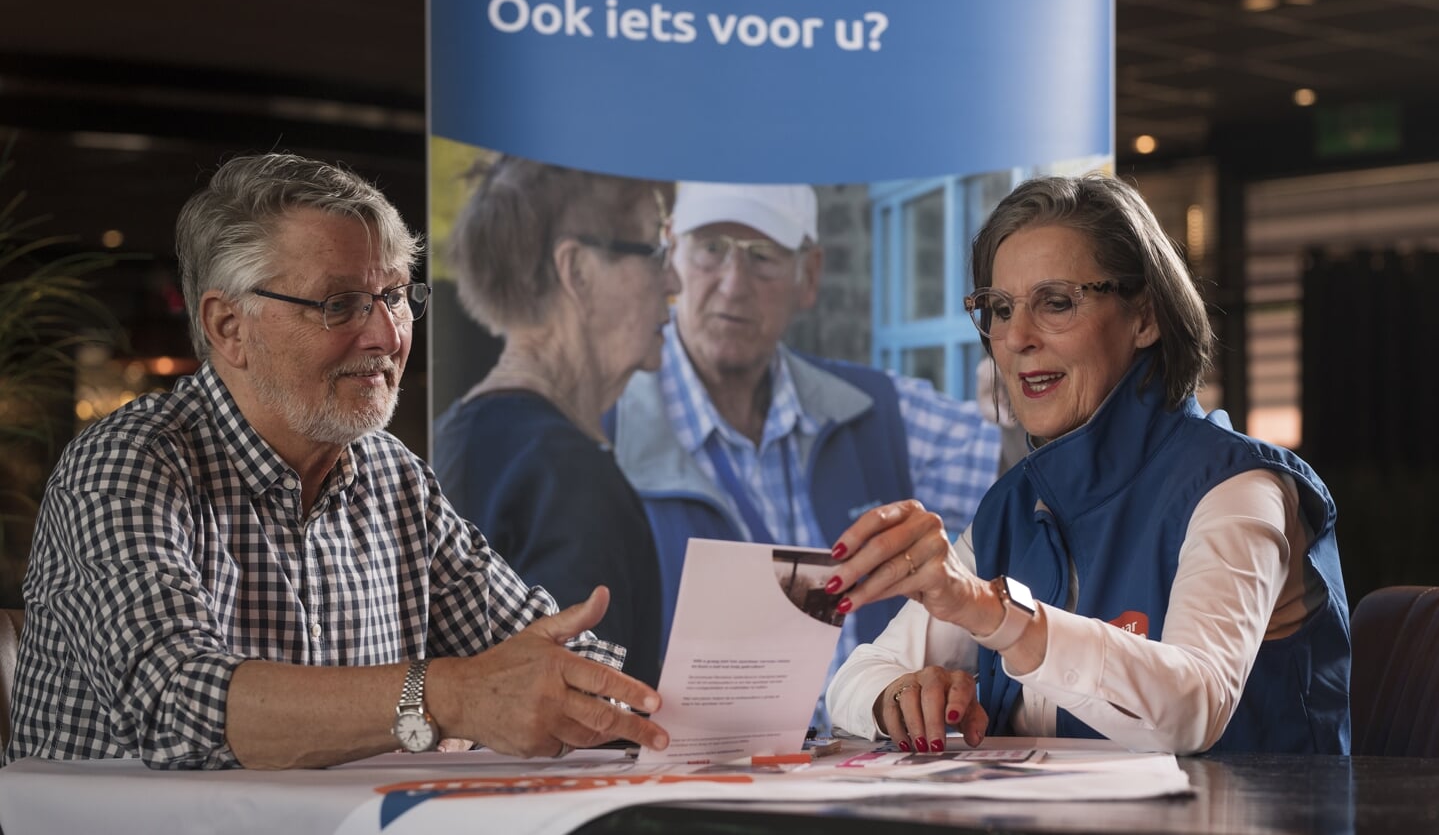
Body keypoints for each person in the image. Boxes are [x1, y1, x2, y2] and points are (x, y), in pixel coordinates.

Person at [4, 153, 668, 769]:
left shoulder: (392, 475)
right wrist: (444, 697)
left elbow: (537, 656)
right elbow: (175, 703)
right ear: (228, 327)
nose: (387, 336)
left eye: (396, 296)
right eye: (340, 303)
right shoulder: (130, 463)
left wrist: (696, 692)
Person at [823, 173, 1350, 755]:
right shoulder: (1011, 505)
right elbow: (854, 678)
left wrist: (994, 615)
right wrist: (899, 693)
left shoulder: (1238, 488)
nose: (1016, 337)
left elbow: (1194, 705)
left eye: (1056, 302)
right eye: (999, 309)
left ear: (1145, 317)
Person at [605, 181, 1002, 690]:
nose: (732, 283)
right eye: (710, 248)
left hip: (861, 761)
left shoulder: (880, 413)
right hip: (682, 768)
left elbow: (1026, 479)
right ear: (670, 255)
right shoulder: (603, 437)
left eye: (762, 255)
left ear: (809, 274)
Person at [434, 156, 677, 687]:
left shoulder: (452, 435)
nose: (674, 280)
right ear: (579, 273)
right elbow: (585, 718)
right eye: (656, 251)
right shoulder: (568, 477)